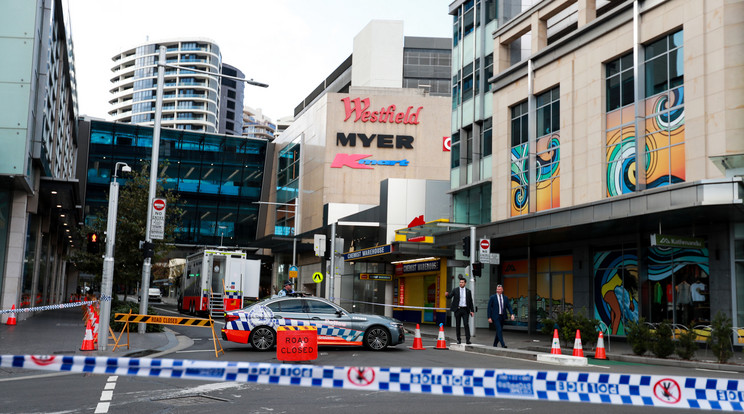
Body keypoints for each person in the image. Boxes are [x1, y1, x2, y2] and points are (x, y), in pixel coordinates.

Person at [446, 275, 474, 344]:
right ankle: (458, 339)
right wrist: (446, 295)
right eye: (460, 282)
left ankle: (468, 340)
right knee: (457, 325)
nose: (460, 283)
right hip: (457, 310)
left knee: (466, 324)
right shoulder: (455, 290)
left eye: (462, 282)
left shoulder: (468, 291)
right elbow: (450, 297)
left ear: (465, 283)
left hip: (465, 310)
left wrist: (472, 310)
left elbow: (470, 301)